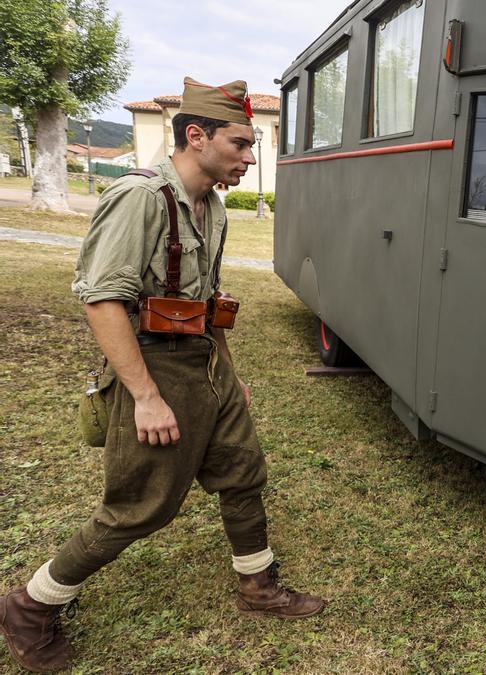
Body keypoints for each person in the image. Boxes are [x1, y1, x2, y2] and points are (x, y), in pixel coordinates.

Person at [0, 77, 325, 673]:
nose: (250, 157)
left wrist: (227, 375)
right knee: (140, 505)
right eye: (240, 143)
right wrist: (145, 396)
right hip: (154, 367)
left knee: (243, 472)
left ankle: (257, 585)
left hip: (203, 362)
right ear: (195, 137)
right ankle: (28, 604)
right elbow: (102, 301)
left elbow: (208, 300)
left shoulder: (214, 207)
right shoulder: (140, 197)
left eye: (252, 145)